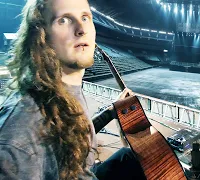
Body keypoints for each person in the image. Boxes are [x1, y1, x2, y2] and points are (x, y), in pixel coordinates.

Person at [0, 0, 145, 179]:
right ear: (40, 37)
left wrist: (112, 111)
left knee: (131, 157)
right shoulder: (21, 130)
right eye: (64, 20)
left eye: (85, 17)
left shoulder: (66, 88)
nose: (81, 29)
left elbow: (73, 131)